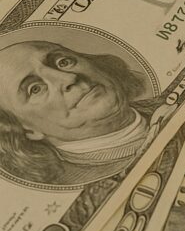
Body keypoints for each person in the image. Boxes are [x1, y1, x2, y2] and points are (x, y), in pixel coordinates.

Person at [0, 40, 162, 186]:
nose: (69, 78)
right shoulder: (79, 188)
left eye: (63, 62)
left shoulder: (165, 103)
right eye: (35, 89)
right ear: (28, 130)